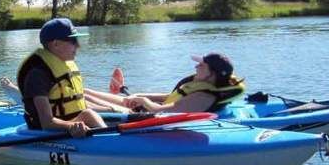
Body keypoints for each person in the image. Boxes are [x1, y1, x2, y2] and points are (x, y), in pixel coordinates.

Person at [17, 17, 106, 137]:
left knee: (89, 114)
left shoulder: (66, 66)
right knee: (88, 115)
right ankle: (112, 142)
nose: (78, 46)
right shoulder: (38, 74)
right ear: (56, 44)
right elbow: (46, 123)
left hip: (74, 124)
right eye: (73, 41)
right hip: (46, 134)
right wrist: (71, 126)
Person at [88, 53, 245, 113]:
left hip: (138, 116)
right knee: (84, 92)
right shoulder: (199, 87)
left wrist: (143, 101)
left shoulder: (203, 97)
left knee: (84, 100)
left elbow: (162, 111)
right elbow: (169, 97)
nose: (196, 66)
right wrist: (138, 95)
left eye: (201, 65)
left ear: (212, 74)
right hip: (143, 109)